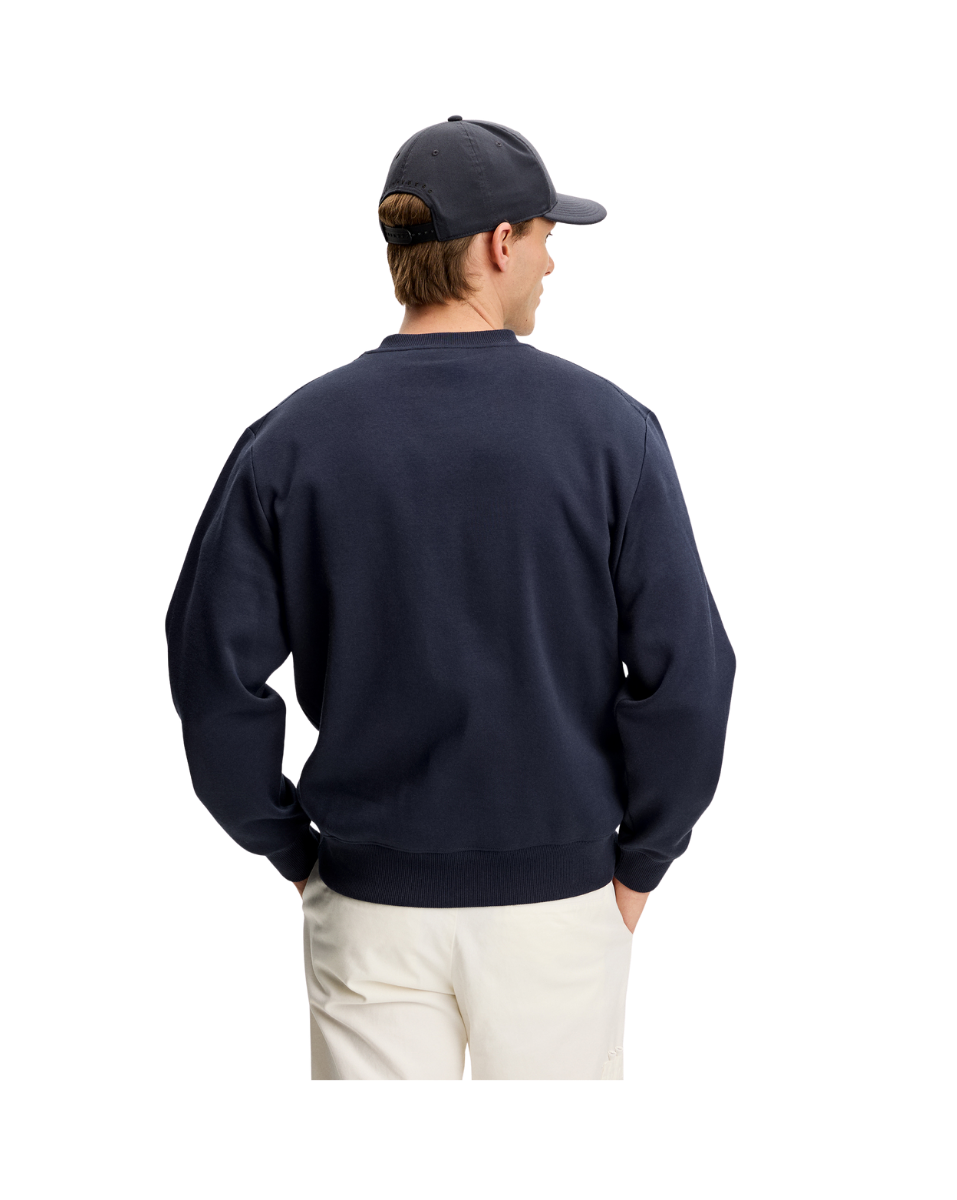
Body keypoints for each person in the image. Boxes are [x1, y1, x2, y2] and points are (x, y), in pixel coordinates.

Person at [165, 115, 737, 1080]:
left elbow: (212, 677)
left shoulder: (291, 439)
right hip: (559, 904)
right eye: (545, 238)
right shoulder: (612, 431)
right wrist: (643, 866)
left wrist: (289, 849)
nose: (551, 263)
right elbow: (687, 681)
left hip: (367, 902)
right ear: (498, 243)